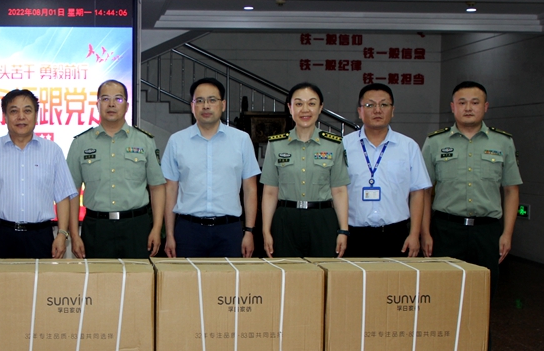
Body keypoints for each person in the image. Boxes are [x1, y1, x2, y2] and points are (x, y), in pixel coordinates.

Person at [421, 81, 521, 351]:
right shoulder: (435, 142)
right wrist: (424, 231)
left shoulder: (503, 142)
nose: (468, 107)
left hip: (487, 231)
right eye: (462, 102)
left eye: (475, 102)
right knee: (441, 302)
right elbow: (424, 191)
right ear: (452, 107)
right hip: (445, 230)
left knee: (481, 304)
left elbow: (511, 190)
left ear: (485, 107)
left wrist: (507, 233)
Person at [0, 89, 77, 258]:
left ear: (36, 115)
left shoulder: (52, 151)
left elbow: (63, 197)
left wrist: (62, 234)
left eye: (27, 111)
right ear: (4, 116)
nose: (21, 117)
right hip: (0, 235)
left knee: (41, 277)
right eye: (14, 111)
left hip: (40, 236)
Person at [161, 77, 261, 258]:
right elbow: (170, 189)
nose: (206, 106)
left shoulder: (241, 140)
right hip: (188, 230)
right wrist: (169, 233)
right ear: (192, 106)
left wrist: (249, 231)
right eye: (199, 101)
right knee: (186, 277)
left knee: (229, 277)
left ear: (223, 105)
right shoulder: (177, 141)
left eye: (212, 100)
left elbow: (250, 188)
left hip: (229, 230)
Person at [66, 80, 166, 258]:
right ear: (97, 104)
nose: (111, 104)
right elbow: (72, 191)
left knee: (138, 276)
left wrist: (157, 228)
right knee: (98, 276)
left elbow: (157, 187)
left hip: (136, 227)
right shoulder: (80, 143)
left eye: (118, 99)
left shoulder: (144, 141)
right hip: (96, 228)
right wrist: (74, 234)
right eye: (105, 99)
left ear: (127, 106)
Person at [260, 82, 350, 258]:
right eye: (299, 104)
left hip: (322, 219)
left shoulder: (334, 144)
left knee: (324, 271)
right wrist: (266, 230)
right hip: (286, 219)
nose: (305, 110)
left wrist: (343, 230)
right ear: (290, 107)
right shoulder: (276, 144)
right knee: (287, 271)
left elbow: (339, 190)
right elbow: (270, 192)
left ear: (320, 108)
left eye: (312, 103)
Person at [343, 83, 431, 257]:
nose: (377, 110)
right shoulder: (343, 146)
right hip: (354, 235)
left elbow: (417, 193)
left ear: (393, 110)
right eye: (370, 105)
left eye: (384, 104)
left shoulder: (408, 146)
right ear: (360, 111)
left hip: (396, 234)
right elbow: (336, 191)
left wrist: (415, 234)